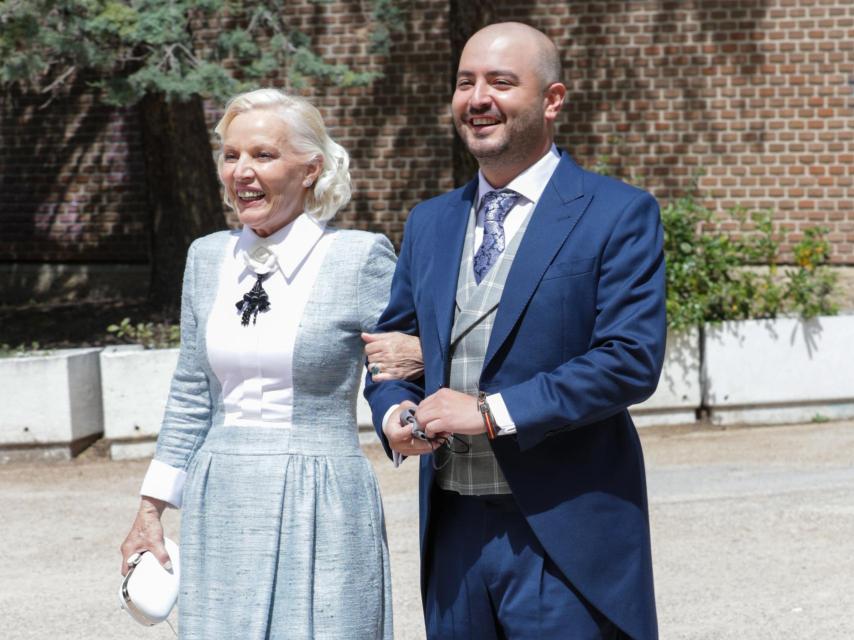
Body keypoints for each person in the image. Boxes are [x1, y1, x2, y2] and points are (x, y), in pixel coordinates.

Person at [365, 22, 666, 640]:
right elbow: (391, 351)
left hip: (563, 534)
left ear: (552, 100)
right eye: (465, 82)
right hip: (452, 533)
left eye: (501, 82)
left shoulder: (618, 212)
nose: (478, 99)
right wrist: (394, 412)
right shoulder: (429, 222)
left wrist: (491, 410)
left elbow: (630, 359)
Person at [120, 88, 402, 639]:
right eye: (231, 156)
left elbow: (403, 365)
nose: (241, 171)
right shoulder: (205, 257)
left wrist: (409, 413)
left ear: (310, 170)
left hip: (322, 497)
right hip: (219, 493)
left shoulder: (359, 257)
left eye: (263, 155)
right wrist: (150, 510)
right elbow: (191, 393)